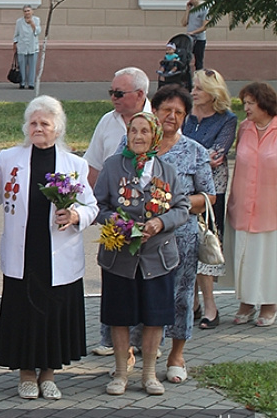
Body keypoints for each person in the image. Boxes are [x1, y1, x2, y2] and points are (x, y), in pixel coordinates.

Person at [0, 96, 97, 400]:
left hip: (58, 255)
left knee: (53, 313)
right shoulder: (9, 158)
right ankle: (26, 374)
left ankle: (49, 374)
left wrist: (74, 215)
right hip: (23, 252)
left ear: (57, 129)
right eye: (33, 123)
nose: (38, 128)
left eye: (45, 123)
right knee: (24, 313)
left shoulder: (75, 165)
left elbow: (91, 207)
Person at [94, 112, 190, 397]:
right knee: (119, 316)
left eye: (144, 131)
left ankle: (148, 374)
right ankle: (121, 373)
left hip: (157, 257)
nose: (138, 136)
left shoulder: (167, 170)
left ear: (155, 136)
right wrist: (118, 222)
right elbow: (97, 206)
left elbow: (182, 208)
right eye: (133, 130)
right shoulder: (112, 167)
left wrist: (160, 222)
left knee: (154, 316)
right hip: (120, 257)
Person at [148, 85, 215, 385]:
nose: (172, 117)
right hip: (144, 235)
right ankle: (139, 356)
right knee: (143, 294)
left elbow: (209, 196)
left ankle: (176, 355)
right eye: (167, 110)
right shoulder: (138, 143)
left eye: (179, 112)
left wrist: (175, 204)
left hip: (181, 234)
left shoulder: (194, 151)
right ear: (155, 112)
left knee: (181, 295)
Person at [83, 67, 152, 357]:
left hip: (150, 221)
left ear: (140, 95)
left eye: (119, 93)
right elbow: (93, 166)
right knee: (114, 278)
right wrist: (89, 205)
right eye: (111, 92)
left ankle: (145, 342)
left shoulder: (157, 118)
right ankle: (110, 339)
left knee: (147, 283)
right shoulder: (106, 121)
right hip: (115, 217)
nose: (113, 97)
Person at [185, 69, 237, 329]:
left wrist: (191, 157)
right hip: (184, 188)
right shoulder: (186, 116)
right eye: (193, 87)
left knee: (206, 242)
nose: (193, 92)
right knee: (187, 243)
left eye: (199, 88)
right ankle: (192, 304)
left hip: (210, 191)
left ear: (212, 93)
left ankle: (211, 307)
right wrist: (198, 157)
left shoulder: (226, 119)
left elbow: (217, 155)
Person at [228, 82, 277, 328]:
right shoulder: (244, 128)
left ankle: (269, 303)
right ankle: (247, 302)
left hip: (272, 207)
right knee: (245, 255)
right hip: (244, 203)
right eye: (244, 103)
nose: (245, 108)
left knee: (268, 257)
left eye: (250, 103)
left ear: (264, 103)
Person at [13, 5, 41, 89]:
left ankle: (31, 83)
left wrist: (32, 24)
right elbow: (16, 33)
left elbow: (38, 32)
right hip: (22, 46)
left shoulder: (36, 20)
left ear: (32, 11)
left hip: (33, 46)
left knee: (32, 66)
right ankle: (22, 82)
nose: (27, 12)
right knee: (22, 65)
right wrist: (14, 43)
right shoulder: (19, 21)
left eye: (28, 10)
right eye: (25, 11)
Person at [182, 0, 210, 71]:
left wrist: (193, 32)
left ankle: (199, 79)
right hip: (189, 39)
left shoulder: (204, 8)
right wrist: (187, 10)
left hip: (199, 39)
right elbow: (184, 23)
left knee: (198, 61)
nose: (191, 0)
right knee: (186, 60)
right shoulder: (192, 9)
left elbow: (205, 26)